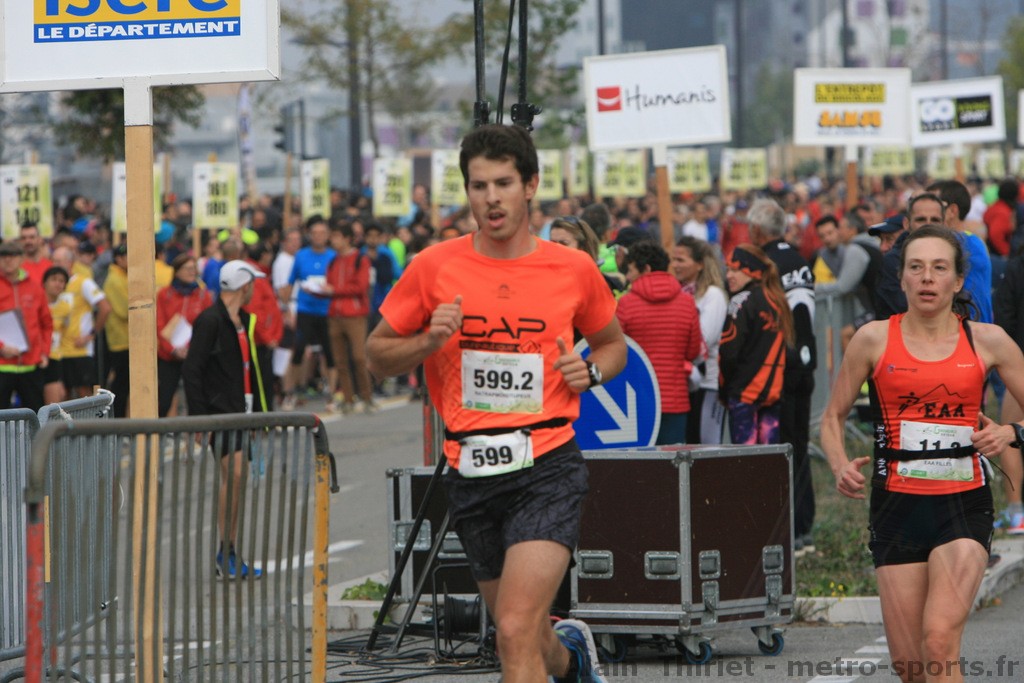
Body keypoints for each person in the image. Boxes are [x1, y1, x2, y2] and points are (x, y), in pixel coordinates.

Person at [366, 124, 626, 682]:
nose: (491, 198)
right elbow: (376, 356)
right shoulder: (434, 266)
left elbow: (613, 345)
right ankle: (573, 661)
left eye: (503, 183)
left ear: (530, 185)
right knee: (525, 633)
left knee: (510, 629)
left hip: (548, 464)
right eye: (479, 186)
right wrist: (428, 341)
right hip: (471, 470)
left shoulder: (572, 268)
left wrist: (591, 372)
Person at [820, 225, 1024, 682]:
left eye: (939, 268)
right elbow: (832, 417)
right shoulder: (873, 339)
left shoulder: (987, 340)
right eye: (916, 267)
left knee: (938, 641)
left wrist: (1011, 432)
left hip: (963, 505)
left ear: (957, 280)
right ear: (902, 278)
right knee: (910, 667)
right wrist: (838, 465)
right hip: (895, 508)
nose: (927, 277)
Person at [183, 260, 269, 581]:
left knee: (238, 479)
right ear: (244, 286)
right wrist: (200, 419)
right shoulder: (210, 320)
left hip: (241, 412)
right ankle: (226, 552)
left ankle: (230, 550)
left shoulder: (244, 321)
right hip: (220, 414)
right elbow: (192, 370)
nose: (254, 289)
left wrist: (257, 416)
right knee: (234, 476)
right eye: (253, 284)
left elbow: (252, 371)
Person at [750, 198, 817, 554]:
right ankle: (804, 525)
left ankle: (788, 528)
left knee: (780, 449)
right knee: (800, 446)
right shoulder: (799, 259)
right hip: (805, 363)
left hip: (778, 367)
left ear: (757, 230)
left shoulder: (764, 263)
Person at [616, 241, 701, 444]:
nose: (627, 276)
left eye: (631, 270)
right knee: (673, 461)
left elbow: (617, 352)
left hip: (637, 401)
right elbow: (693, 351)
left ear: (645, 269)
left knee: (641, 461)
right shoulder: (687, 302)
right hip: (676, 400)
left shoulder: (626, 304)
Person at [719, 244, 794, 446]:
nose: (729, 276)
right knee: (768, 459)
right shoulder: (778, 300)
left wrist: (724, 391)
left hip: (744, 395)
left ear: (751, 271)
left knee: (745, 460)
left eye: (735, 270)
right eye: (727, 270)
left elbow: (728, 353)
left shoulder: (740, 301)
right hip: (773, 394)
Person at [672, 236, 728, 444]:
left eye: (681, 260)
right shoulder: (678, 293)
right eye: (673, 260)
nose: (675, 265)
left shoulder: (713, 295)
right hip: (685, 384)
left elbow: (703, 339)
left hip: (708, 384)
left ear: (700, 264)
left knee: (707, 449)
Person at [280, 216, 336, 411]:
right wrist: (286, 308)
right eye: (315, 233)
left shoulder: (333, 257)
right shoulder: (301, 256)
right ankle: (290, 392)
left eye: (322, 233)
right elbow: (289, 283)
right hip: (305, 309)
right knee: (298, 351)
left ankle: (331, 395)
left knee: (329, 353)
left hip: (327, 310)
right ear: (309, 235)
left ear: (327, 235)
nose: (318, 236)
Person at [324, 221, 374, 414]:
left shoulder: (361, 259)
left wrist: (334, 290)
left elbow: (360, 287)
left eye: (336, 236)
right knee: (340, 360)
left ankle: (367, 396)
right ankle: (348, 398)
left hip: (355, 315)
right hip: (334, 315)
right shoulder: (333, 261)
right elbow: (330, 284)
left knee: (359, 358)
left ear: (347, 239)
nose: (333, 240)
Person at [156, 254, 214, 417]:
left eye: (194, 268)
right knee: (163, 400)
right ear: (177, 271)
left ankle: (197, 432)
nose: (191, 272)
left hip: (194, 355)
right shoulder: (164, 295)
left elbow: (208, 326)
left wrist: (194, 349)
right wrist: (172, 349)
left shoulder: (203, 295)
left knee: (197, 400)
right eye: (187, 268)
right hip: (169, 356)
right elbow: (159, 325)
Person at [992, 246, 1024, 534]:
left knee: (1011, 432)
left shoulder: (1016, 267)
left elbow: (1005, 319)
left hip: (1021, 362)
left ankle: (1016, 512)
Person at [51, 245, 110, 399]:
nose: (55, 265)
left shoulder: (83, 282)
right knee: (63, 395)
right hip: (58, 350)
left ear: (70, 263)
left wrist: (91, 335)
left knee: (84, 393)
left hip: (79, 350)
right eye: (53, 261)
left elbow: (105, 307)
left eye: (59, 261)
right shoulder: (52, 286)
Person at [874, 193, 946, 320]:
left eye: (935, 220)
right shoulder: (892, 262)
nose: (928, 225)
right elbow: (903, 307)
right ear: (907, 224)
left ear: (944, 224)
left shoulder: (952, 257)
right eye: (921, 220)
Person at [0, 240, 52, 411]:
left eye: (13, 255)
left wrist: (44, 352)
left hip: (31, 364)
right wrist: (2, 347)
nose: (8, 260)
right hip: (2, 364)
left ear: (21, 258)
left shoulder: (34, 287)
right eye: (4, 255)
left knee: (35, 416)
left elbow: (46, 323)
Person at [549, 215, 626, 294]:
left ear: (582, 246)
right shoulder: (545, 279)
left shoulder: (601, 286)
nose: (556, 249)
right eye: (552, 243)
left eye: (564, 243)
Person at [103, 243, 130, 417]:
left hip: (125, 339)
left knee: (124, 384)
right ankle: (117, 420)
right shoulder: (114, 279)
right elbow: (125, 309)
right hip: (120, 340)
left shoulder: (122, 276)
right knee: (120, 385)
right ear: (118, 259)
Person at [43, 266, 71, 405]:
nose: (58, 284)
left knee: (55, 401)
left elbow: (64, 332)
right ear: (45, 282)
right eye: (54, 279)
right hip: (36, 357)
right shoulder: (37, 303)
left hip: (55, 357)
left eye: (61, 281)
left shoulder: (66, 307)